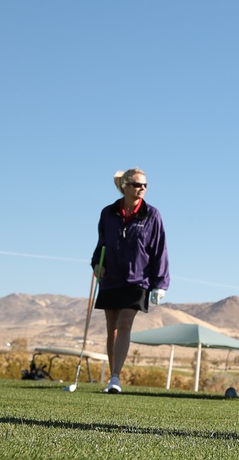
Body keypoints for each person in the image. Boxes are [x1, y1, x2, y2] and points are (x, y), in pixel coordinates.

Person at [91, 168, 170, 394]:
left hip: (138, 280)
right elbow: (101, 245)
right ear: (125, 186)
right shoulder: (108, 213)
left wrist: (161, 283)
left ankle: (115, 377)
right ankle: (111, 377)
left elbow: (159, 250)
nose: (142, 188)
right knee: (111, 330)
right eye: (137, 185)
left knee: (125, 323)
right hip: (111, 278)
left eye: (144, 185)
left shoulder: (152, 215)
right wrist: (97, 264)